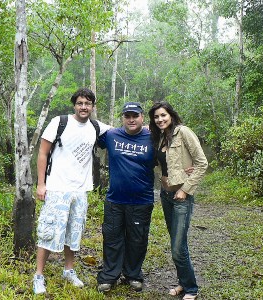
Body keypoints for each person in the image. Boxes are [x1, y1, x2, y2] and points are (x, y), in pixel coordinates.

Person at [33, 88, 110, 295]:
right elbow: (42, 153)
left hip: (80, 190)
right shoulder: (59, 122)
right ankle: (39, 275)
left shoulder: (96, 126)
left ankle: (69, 270)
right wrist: (41, 184)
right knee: (49, 231)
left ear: (93, 106)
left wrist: (146, 128)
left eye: (88, 103)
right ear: (74, 105)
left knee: (74, 233)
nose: (84, 107)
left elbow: (122, 132)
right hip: (58, 187)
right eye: (80, 103)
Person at [148, 101, 208, 300]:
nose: (160, 119)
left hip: (181, 197)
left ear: (171, 115)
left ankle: (191, 289)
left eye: (163, 115)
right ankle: (184, 283)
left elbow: (201, 163)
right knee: (177, 243)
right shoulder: (159, 138)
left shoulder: (183, 132)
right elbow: (164, 166)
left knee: (177, 247)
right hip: (165, 196)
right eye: (156, 117)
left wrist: (185, 189)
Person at [96, 102, 155, 293]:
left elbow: (173, 148)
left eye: (135, 116)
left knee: (137, 240)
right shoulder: (112, 135)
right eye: (127, 116)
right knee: (112, 238)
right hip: (115, 199)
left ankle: (133, 274)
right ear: (123, 118)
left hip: (142, 200)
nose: (131, 119)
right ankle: (109, 276)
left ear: (142, 117)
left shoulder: (153, 136)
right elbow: (87, 132)